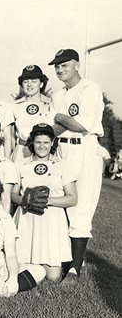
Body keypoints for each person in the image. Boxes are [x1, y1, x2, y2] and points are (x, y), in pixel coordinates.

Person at [48, 48, 104, 283]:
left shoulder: (90, 88)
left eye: (65, 65)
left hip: (85, 149)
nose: (60, 70)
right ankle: (63, 259)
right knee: (62, 202)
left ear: (77, 65)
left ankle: (75, 268)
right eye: (57, 66)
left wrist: (61, 118)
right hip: (62, 149)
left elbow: (83, 124)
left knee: (81, 206)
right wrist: (60, 122)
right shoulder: (57, 95)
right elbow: (54, 128)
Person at [11, 124, 77, 281]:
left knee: (53, 277)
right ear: (32, 142)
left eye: (46, 142)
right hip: (28, 218)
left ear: (53, 142)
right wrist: (25, 199)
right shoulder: (21, 164)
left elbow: (73, 198)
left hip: (52, 220)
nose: (42, 146)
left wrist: (47, 201)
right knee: (21, 270)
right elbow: (12, 195)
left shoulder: (62, 165)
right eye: (38, 142)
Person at [12, 65, 52, 162]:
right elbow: (11, 136)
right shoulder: (14, 106)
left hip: (44, 151)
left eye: (34, 81)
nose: (29, 85)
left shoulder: (50, 104)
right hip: (21, 151)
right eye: (25, 82)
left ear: (41, 84)